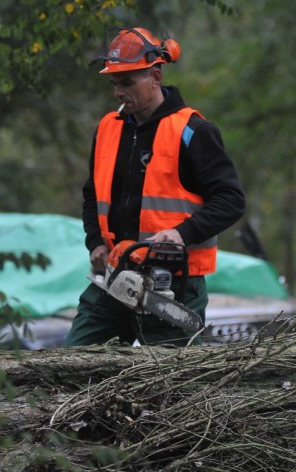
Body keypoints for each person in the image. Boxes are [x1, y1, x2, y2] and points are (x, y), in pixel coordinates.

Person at [62, 26, 246, 347]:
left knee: (172, 386)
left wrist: (181, 234)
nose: (119, 92)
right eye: (115, 84)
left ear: (156, 78)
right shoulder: (108, 129)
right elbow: (93, 195)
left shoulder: (192, 131)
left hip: (172, 284)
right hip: (115, 275)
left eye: (128, 82)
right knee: (70, 364)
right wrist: (95, 242)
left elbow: (231, 200)